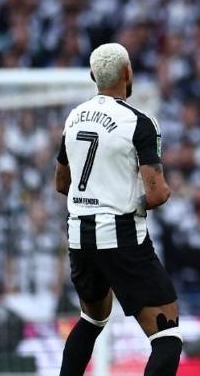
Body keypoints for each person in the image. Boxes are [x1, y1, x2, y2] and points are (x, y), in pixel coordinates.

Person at [55, 43, 181, 376]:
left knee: (91, 320)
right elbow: (157, 194)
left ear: (92, 76)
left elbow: (61, 182)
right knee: (167, 336)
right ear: (128, 73)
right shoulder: (139, 122)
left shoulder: (74, 117)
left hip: (80, 237)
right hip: (122, 236)